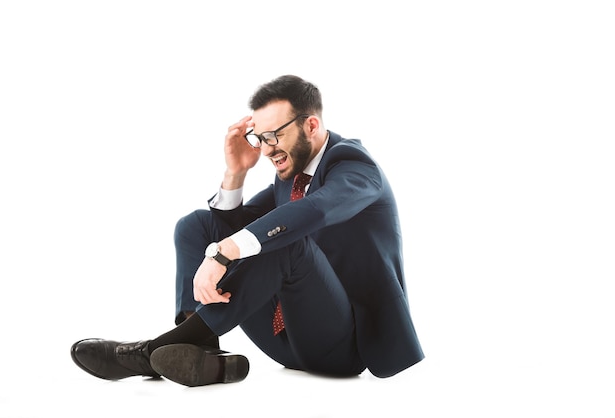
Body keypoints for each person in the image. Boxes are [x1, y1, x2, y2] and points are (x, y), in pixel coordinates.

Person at [71, 74, 425, 387]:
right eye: (260, 137)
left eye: (274, 135)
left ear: (311, 126)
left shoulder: (354, 167)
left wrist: (224, 253)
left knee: (285, 242)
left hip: (343, 346)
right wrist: (235, 173)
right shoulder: (292, 175)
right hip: (283, 339)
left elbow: (315, 210)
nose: (267, 149)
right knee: (197, 225)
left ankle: (152, 351)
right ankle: (202, 354)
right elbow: (237, 225)